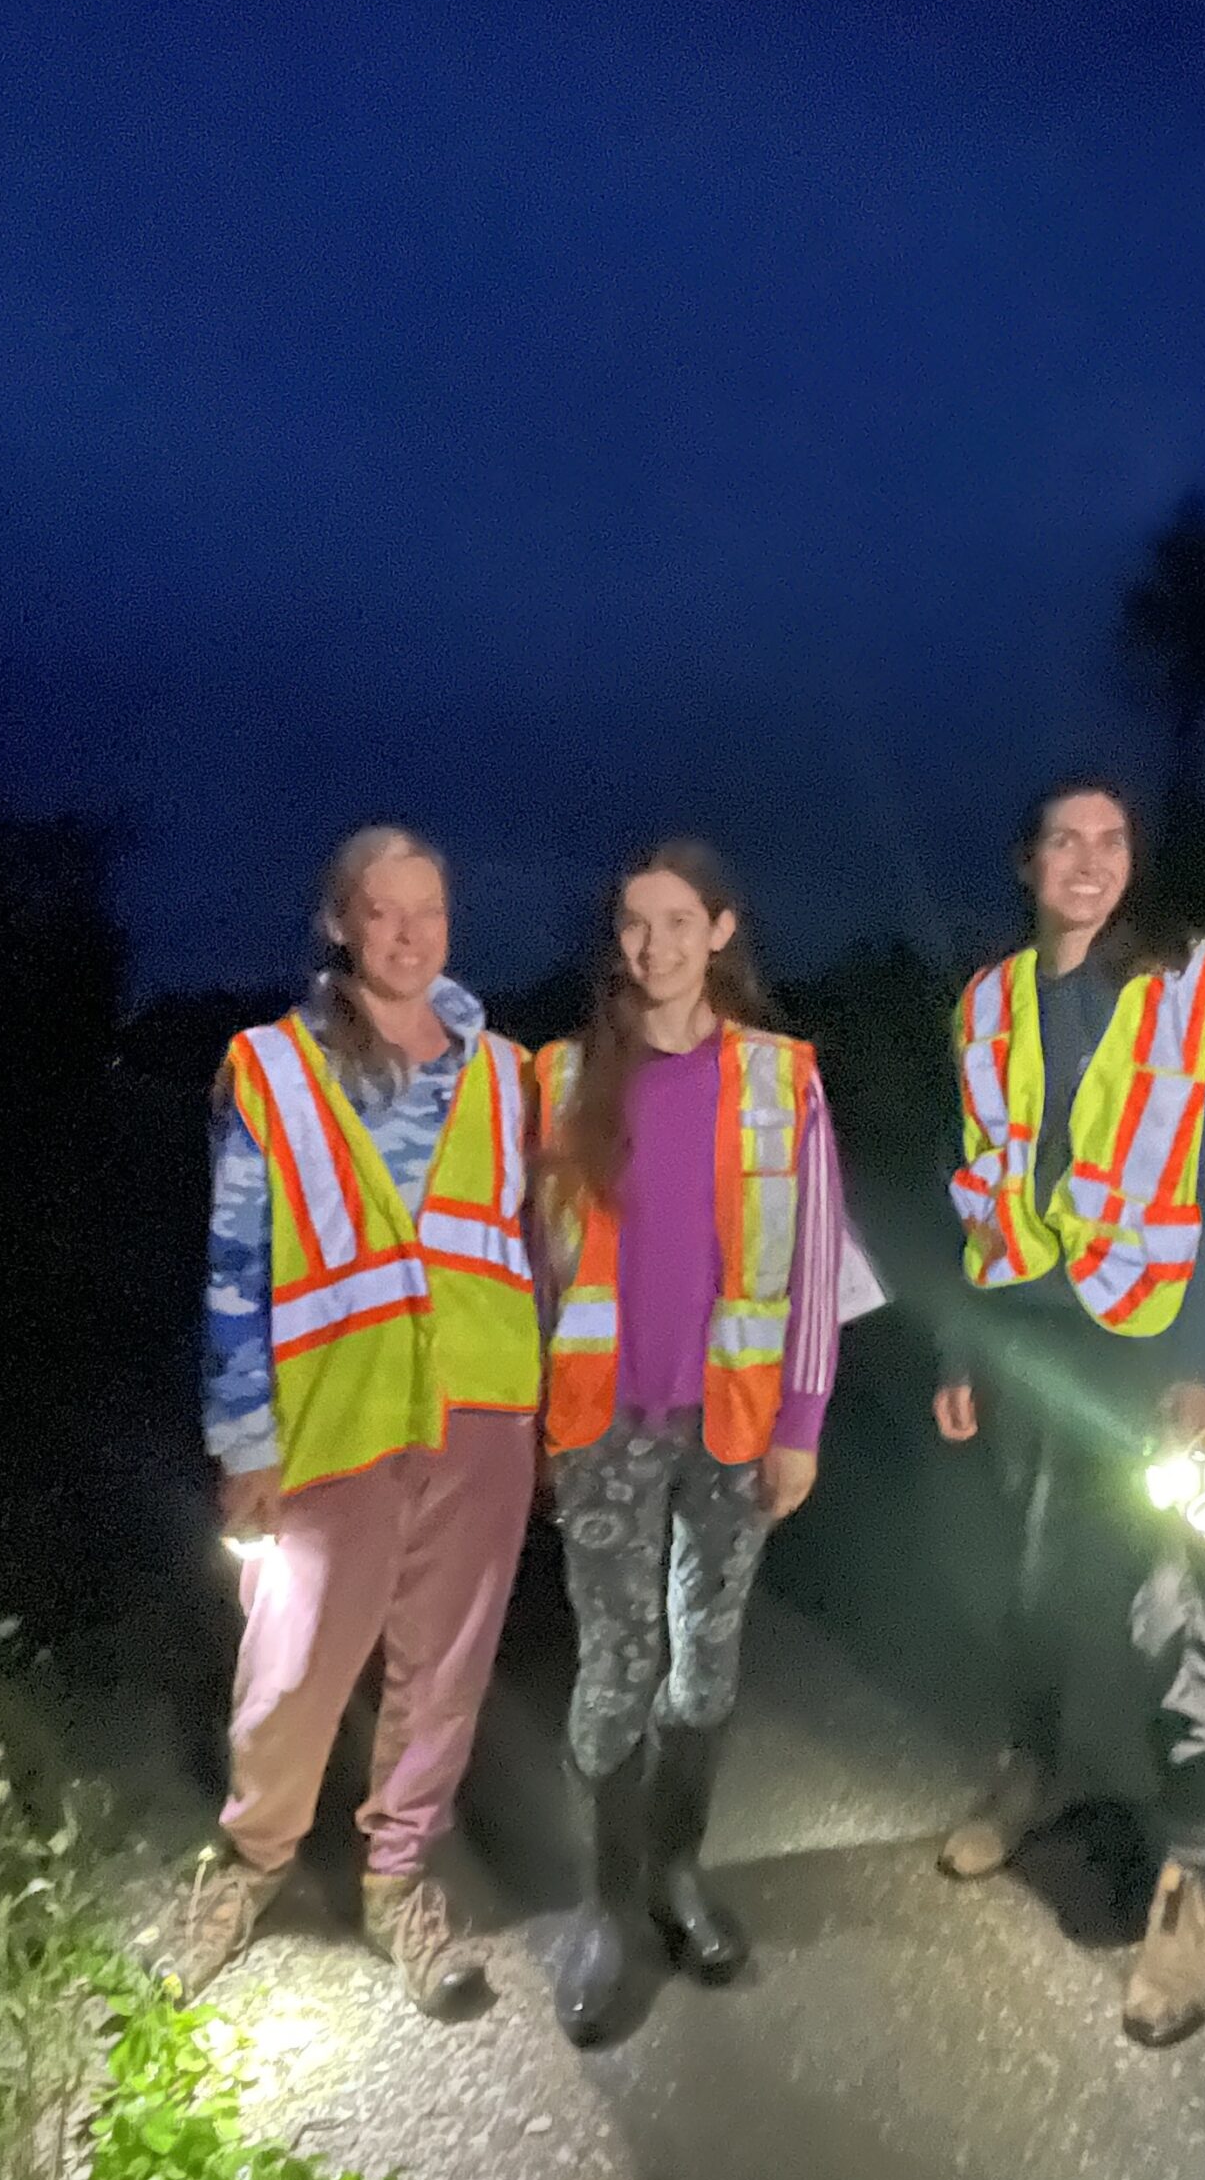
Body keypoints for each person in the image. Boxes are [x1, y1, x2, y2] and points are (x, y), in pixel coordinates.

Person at [933, 778, 1205, 2046]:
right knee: (1028, 1581)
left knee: (1161, 1608)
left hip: (1150, 1354)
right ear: (1025, 863)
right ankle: (1030, 1771)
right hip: (1028, 1344)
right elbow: (974, 1188)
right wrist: (963, 1351)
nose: (1089, 862)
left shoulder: (1191, 984)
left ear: (1131, 861)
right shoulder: (985, 1002)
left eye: (1112, 841)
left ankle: (1189, 1887)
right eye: (1063, 842)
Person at [182, 825, 541, 2015]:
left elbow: (541, 1240)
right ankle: (251, 1861)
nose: (405, 933)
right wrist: (244, 1439)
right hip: (333, 1413)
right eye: (380, 912)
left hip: (481, 1412)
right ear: (338, 923)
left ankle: (398, 1879)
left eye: (426, 911)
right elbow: (235, 1259)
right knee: (293, 1662)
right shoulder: (273, 1068)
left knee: (442, 1668)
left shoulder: (506, 1071)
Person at [533, 840, 847, 2046]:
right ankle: (604, 1911)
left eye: (677, 921)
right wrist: (524, 1426)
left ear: (721, 930)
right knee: (615, 1659)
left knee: (702, 1661)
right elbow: (524, 1270)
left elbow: (815, 1266)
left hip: (733, 1425)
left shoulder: (782, 1080)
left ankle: (675, 1876)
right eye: (632, 923)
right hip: (602, 1422)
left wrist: (802, 1425)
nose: (653, 945)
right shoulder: (558, 1081)